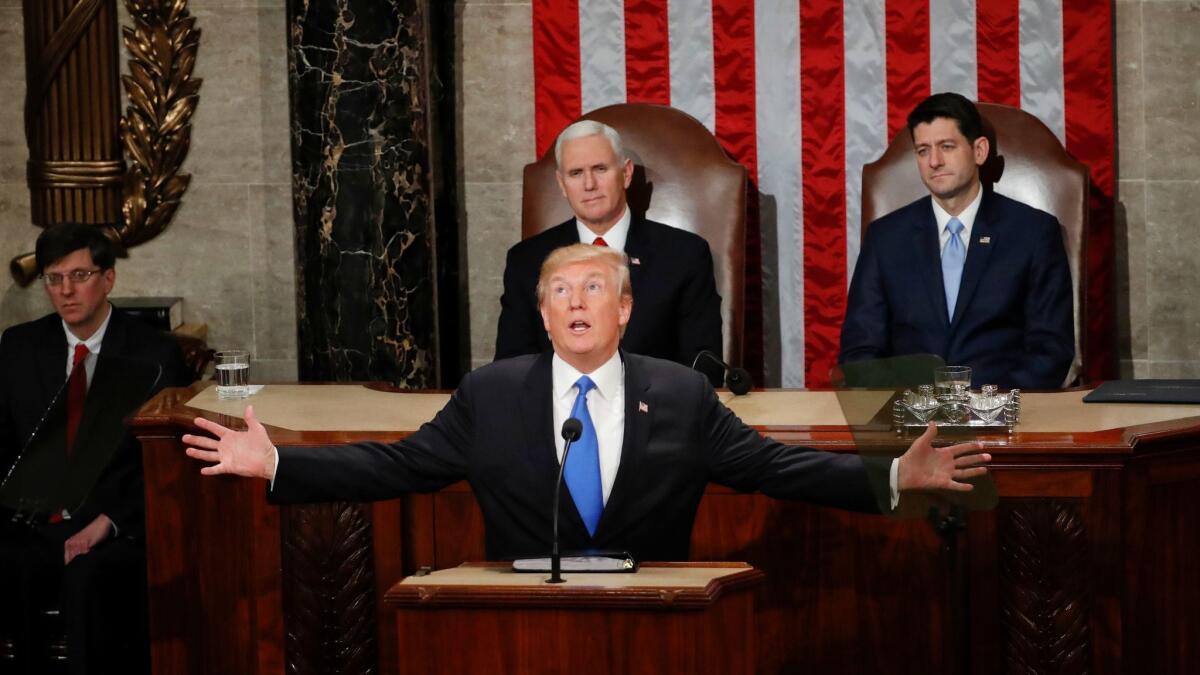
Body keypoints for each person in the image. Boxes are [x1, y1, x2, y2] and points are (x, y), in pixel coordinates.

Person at [184, 245, 989, 562]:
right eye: (560, 291)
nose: (576, 301)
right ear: (542, 314)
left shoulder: (678, 393)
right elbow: (399, 466)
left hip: (660, 624)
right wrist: (279, 463)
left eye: (594, 287)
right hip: (523, 635)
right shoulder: (492, 394)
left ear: (625, 308)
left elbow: (777, 467)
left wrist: (889, 478)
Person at [0, 224, 189, 675]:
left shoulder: (155, 353)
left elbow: (168, 463)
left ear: (108, 279)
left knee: (88, 580)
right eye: (54, 278)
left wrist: (110, 520)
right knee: (13, 564)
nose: (66, 291)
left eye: (80, 275)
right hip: (32, 521)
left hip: (114, 525)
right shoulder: (18, 347)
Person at [839, 93, 1075, 389]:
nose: (934, 162)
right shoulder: (885, 238)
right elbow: (860, 351)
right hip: (910, 420)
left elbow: (1050, 350)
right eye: (923, 151)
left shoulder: (1033, 232)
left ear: (979, 151)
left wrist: (988, 408)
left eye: (946, 147)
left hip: (1004, 419)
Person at [494, 120, 725, 385]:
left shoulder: (684, 254)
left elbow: (703, 365)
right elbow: (511, 367)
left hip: (654, 414)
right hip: (556, 415)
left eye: (600, 169)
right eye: (576, 173)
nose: (589, 184)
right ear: (561, 183)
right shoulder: (527, 260)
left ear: (626, 173)